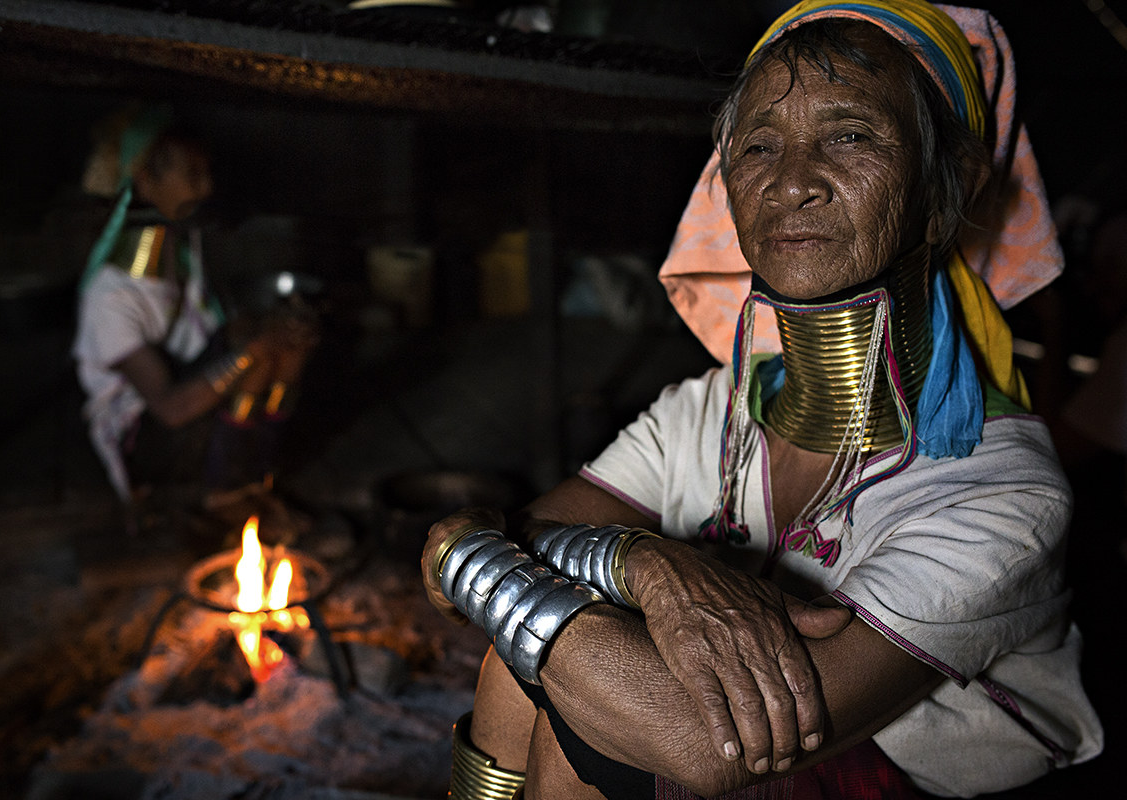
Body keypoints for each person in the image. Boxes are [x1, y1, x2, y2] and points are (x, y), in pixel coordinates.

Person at [419, 2, 1104, 798]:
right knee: (544, 658)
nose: (792, 182)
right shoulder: (707, 413)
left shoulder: (997, 491)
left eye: (850, 136)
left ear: (951, 180)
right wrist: (644, 565)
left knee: (581, 687)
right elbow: (471, 556)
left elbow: (708, 746)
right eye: (759, 146)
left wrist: (476, 555)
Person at [72, 104, 317, 540]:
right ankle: (224, 495)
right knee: (256, 355)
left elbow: (219, 334)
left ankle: (254, 484)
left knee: (283, 343)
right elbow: (170, 409)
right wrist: (252, 350)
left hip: (187, 402)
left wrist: (281, 332)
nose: (207, 187)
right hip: (146, 440)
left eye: (206, 173)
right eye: (193, 174)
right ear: (145, 181)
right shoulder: (111, 298)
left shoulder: (182, 260)